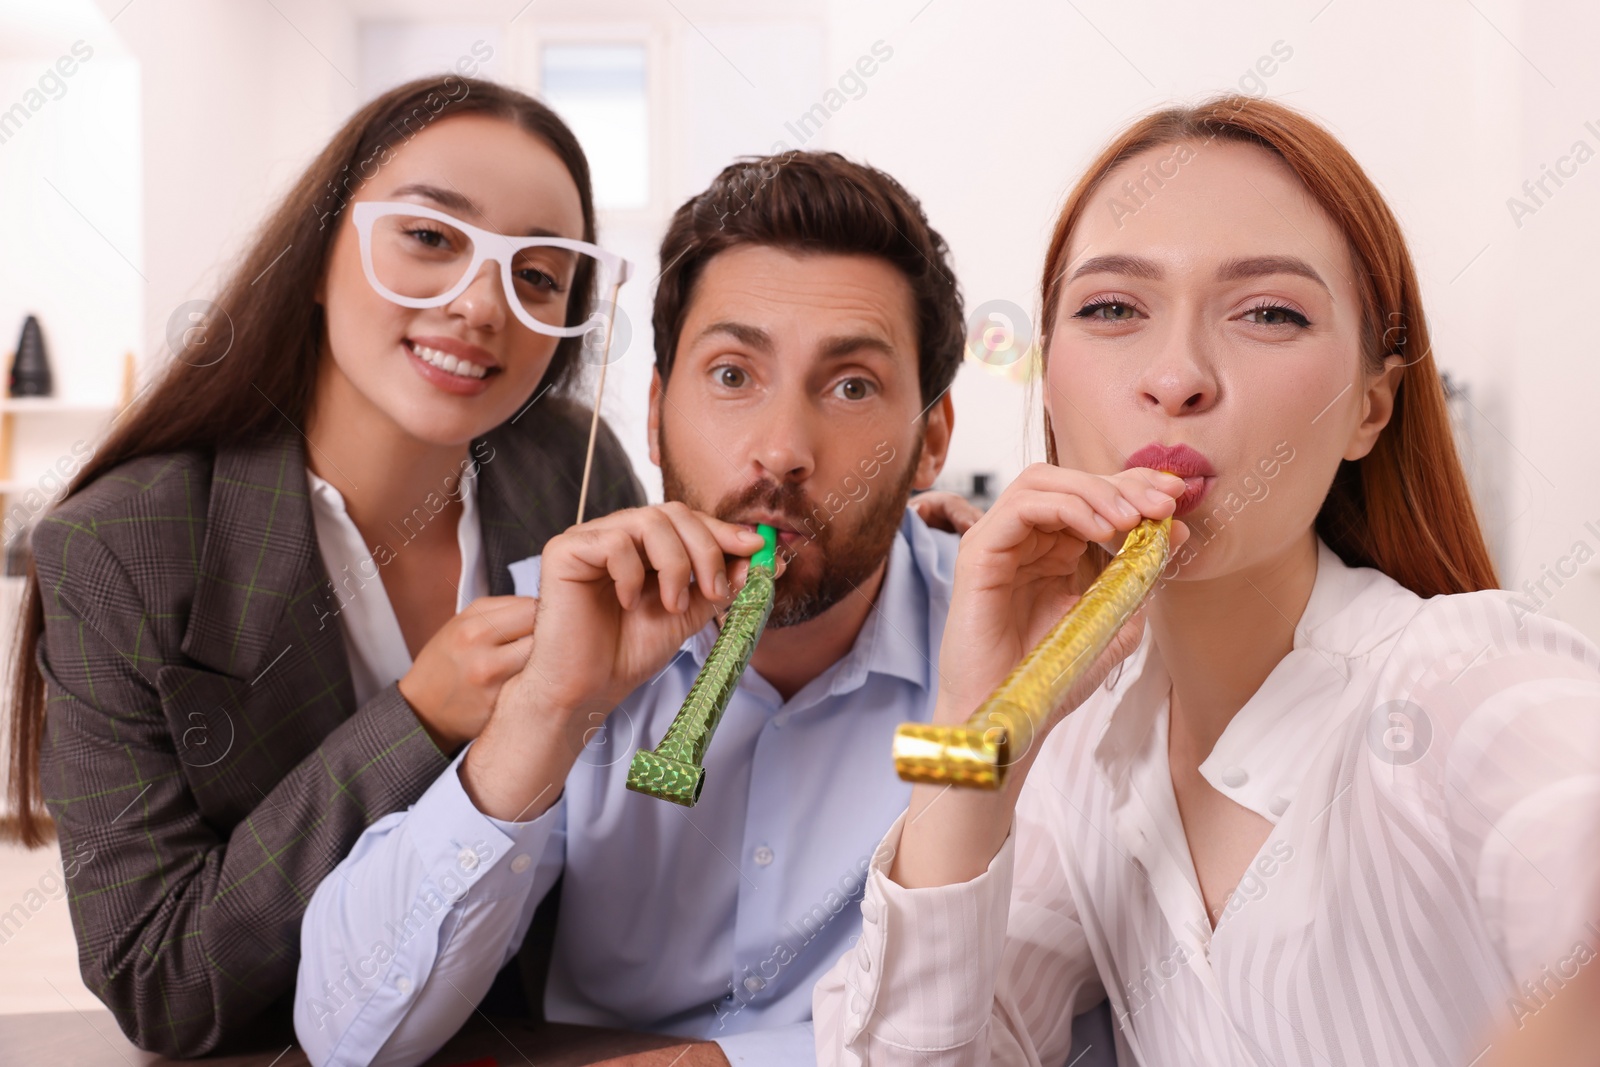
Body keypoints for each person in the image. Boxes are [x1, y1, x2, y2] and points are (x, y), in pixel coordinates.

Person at [815, 95, 1600, 1066]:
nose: (1177, 374)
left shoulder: (1465, 681)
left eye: (1268, 311)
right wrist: (973, 738)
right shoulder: (1081, 761)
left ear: (1370, 405)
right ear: (1048, 381)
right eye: (1111, 309)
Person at [4, 75, 647, 1056]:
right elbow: (161, 980)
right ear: (317, 256)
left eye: (539, 275)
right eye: (430, 238)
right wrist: (420, 717)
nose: (482, 304)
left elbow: (668, 778)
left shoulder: (569, 465)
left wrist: (900, 553)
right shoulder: (123, 544)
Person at [292, 151, 979, 1067]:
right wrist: (547, 713)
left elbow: (1037, 1001)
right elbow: (346, 1033)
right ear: (655, 417)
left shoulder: (1000, 650)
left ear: (930, 440)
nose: (780, 452)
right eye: (733, 375)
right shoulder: (561, 621)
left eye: (851, 385)